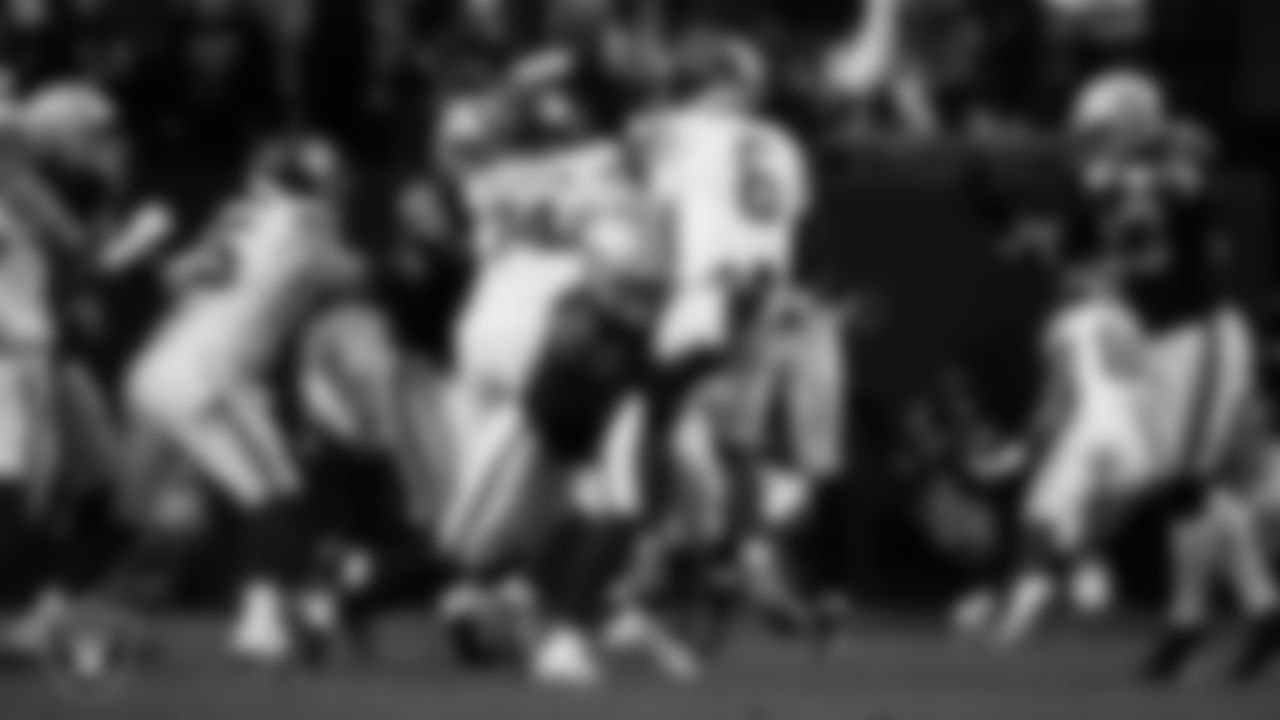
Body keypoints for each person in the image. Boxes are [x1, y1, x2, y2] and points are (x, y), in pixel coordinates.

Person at [126, 135, 363, 663]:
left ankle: (281, 609)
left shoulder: (240, 215)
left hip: (173, 363)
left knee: (269, 494)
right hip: (212, 373)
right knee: (274, 496)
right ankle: (261, 624)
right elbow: (354, 277)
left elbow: (174, 278)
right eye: (333, 179)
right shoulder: (306, 221)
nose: (342, 189)